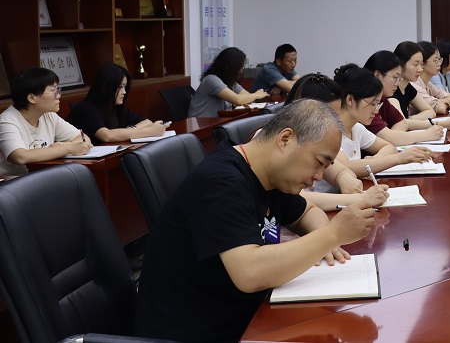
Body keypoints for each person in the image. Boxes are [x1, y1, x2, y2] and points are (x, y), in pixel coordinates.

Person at [133, 99, 377, 342]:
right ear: (285, 139)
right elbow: (250, 273)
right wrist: (331, 235)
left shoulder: (269, 175)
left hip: (246, 317)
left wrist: (324, 241)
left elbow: (306, 212)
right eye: (318, 162)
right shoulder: (221, 183)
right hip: (199, 332)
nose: (319, 176)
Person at [287, 69, 434, 182]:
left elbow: (388, 147)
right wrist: (398, 159)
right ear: (350, 100)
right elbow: (346, 168)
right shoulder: (327, 132)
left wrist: (372, 163)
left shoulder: (356, 128)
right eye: (372, 103)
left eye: (378, 104)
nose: (376, 110)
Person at [0, 67, 93, 176]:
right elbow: (20, 156)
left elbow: (83, 138)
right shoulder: (6, 121)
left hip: (42, 177)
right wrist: (69, 148)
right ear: (32, 98)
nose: (59, 95)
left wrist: (65, 145)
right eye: (53, 91)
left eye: (58, 90)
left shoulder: (48, 115)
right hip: (14, 183)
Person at [363, 50, 450, 145]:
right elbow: (390, 137)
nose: (397, 83)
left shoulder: (382, 99)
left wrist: (395, 137)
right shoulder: (364, 102)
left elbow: (401, 123)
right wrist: (426, 135)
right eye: (395, 78)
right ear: (377, 76)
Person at [68, 62, 171, 142]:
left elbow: (147, 122)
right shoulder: (87, 109)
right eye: (120, 87)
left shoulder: (115, 107)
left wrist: (131, 130)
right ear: (104, 88)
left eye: (125, 87)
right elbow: (107, 136)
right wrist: (150, 131)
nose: (124, 92)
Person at [189, 46, 268, 117]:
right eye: (241, 66)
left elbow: (247, 97)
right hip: (200, 123)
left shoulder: (230, 81)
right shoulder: (211, 80)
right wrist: (257, 95)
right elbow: (238, 100)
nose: (242, 70)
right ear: (232, 66)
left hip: (216, 121)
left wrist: (247, 98)